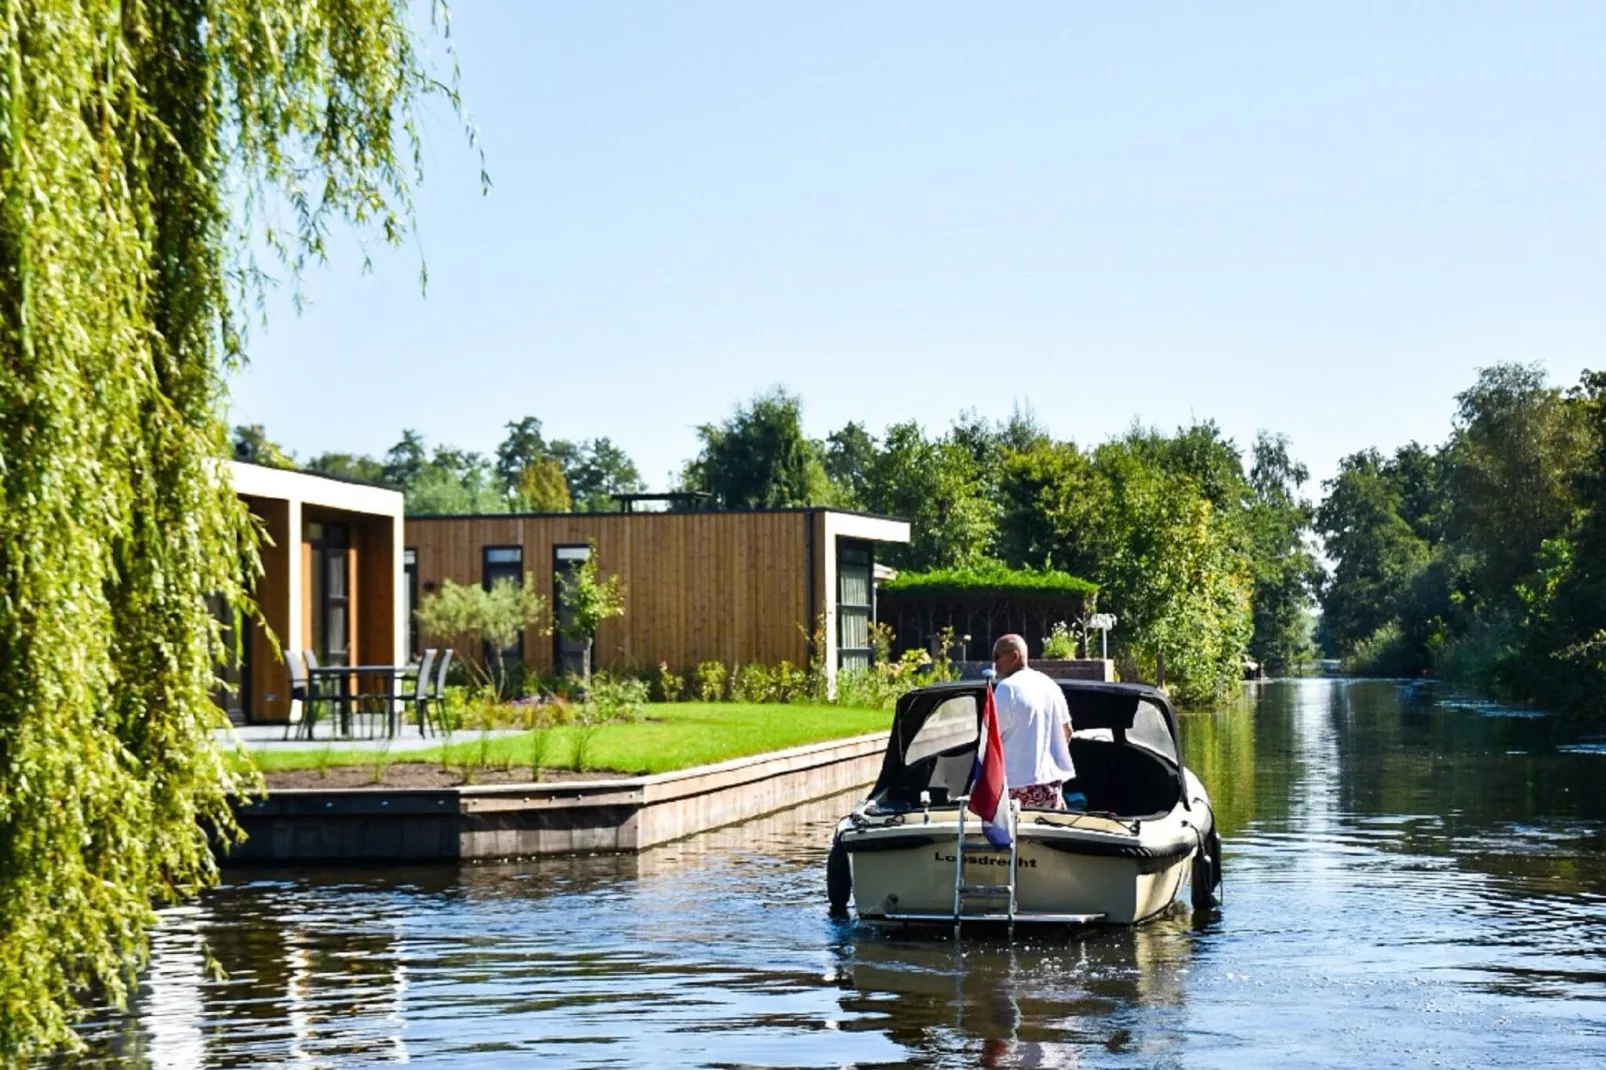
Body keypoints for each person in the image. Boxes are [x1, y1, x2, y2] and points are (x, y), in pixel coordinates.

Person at [990, 633, 1075, 810]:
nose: (994, 663)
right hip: (1050, 787)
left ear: (1014, 656)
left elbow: (991, 739)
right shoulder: (1049, 685)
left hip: (1016, 788)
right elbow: (1067, 731)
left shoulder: (1006, 689)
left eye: (997, 656)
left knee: (1017, 837)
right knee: (1049, 836)